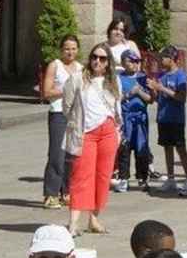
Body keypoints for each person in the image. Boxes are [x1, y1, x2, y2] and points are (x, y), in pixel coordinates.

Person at [64, 41, 121, 237]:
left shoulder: (113, 81)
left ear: (108, 63)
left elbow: (117, 106)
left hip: (108, 131)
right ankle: (73, 223)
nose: (97, 61)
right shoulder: (78, 79)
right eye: (94, 57)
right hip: (86, 132)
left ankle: (94, 219)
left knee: (104, 176)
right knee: (81, 176)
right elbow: (67, 106)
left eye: (102, 58)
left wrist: (117, 130)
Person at [41, 35, 81, 209]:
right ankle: (50, 194)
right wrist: (66, 90)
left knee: (71, 156)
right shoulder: (55, 66)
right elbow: (47, 92)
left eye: (73, 49)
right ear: (61, 49)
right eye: (67, 49)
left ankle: (67, 191)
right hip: (58, 113)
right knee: (56, 155)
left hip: (75, 114)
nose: (70, 52)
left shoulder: (80, 68)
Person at [148, 47, 187, 193]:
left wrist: (162, 88)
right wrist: (154, 90)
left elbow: (181, 98)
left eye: (162, 58)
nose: (160, 61)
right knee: (167, 147)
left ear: (170, 58)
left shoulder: (180, 76)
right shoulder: (162, 76)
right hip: (163, 118)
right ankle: (171, 178)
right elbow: (159, 99)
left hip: (176, 119)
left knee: (180, 148)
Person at [114, 49, 153, 192]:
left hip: (140, 116)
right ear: (124, 62)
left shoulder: (143, 78)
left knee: (141, 148)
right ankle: (123, 178)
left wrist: (140, 92)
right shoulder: (119, 78)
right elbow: (116, 98)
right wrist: (129, 94)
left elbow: (150, 99)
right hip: (126, 116)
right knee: (124, 147)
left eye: (137, 62)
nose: (135, 64)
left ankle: (142, 178)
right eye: (132, 61)